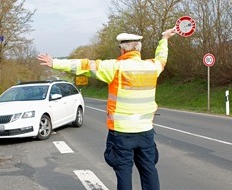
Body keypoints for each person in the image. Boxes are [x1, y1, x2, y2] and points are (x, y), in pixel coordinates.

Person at [37, 28, 176, 190]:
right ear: (138, 49)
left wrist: (55, 62)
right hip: (146, 131)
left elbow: (84, 66)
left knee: (124, 171)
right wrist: (164, 39)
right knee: (149, 169)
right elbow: (162, 59)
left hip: (122, 132)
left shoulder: (115, 67)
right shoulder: (151, 67)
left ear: (123, 49)